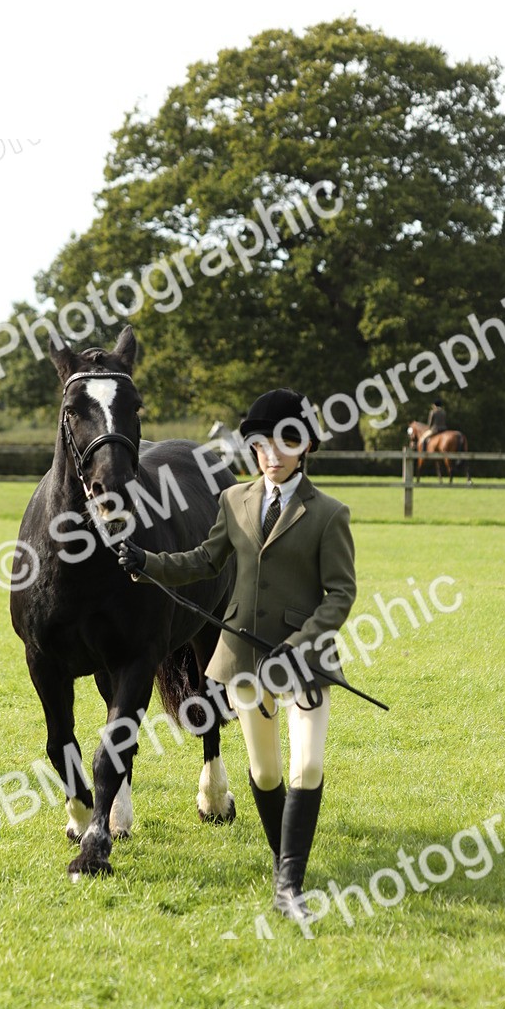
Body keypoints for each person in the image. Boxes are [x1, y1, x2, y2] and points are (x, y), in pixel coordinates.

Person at [118, 389, 356, 922]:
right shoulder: (234, 500)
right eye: (262, 444)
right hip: (245, 658)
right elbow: (204, 560)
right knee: (265, 773)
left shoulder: (330, 514)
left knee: (308, 763)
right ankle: (283, 865)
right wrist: (148, 563)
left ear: (306, 446)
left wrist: (296, 648)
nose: (273, 454)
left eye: (287, 442)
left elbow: (340, 594)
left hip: (303, 660)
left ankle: (289, 886)